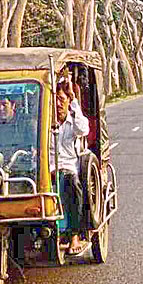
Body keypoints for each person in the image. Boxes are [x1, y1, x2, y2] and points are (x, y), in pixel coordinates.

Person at [55, 82, 90, 254]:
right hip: (48, 169)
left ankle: (74, 235)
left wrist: (75, 103)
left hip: (69, 168)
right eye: (54, 99)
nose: (58, 103)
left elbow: (83, 129)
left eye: (61, 99)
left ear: (68, 100)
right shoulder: (44, 123)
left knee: (73, 185)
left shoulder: (74, 121)